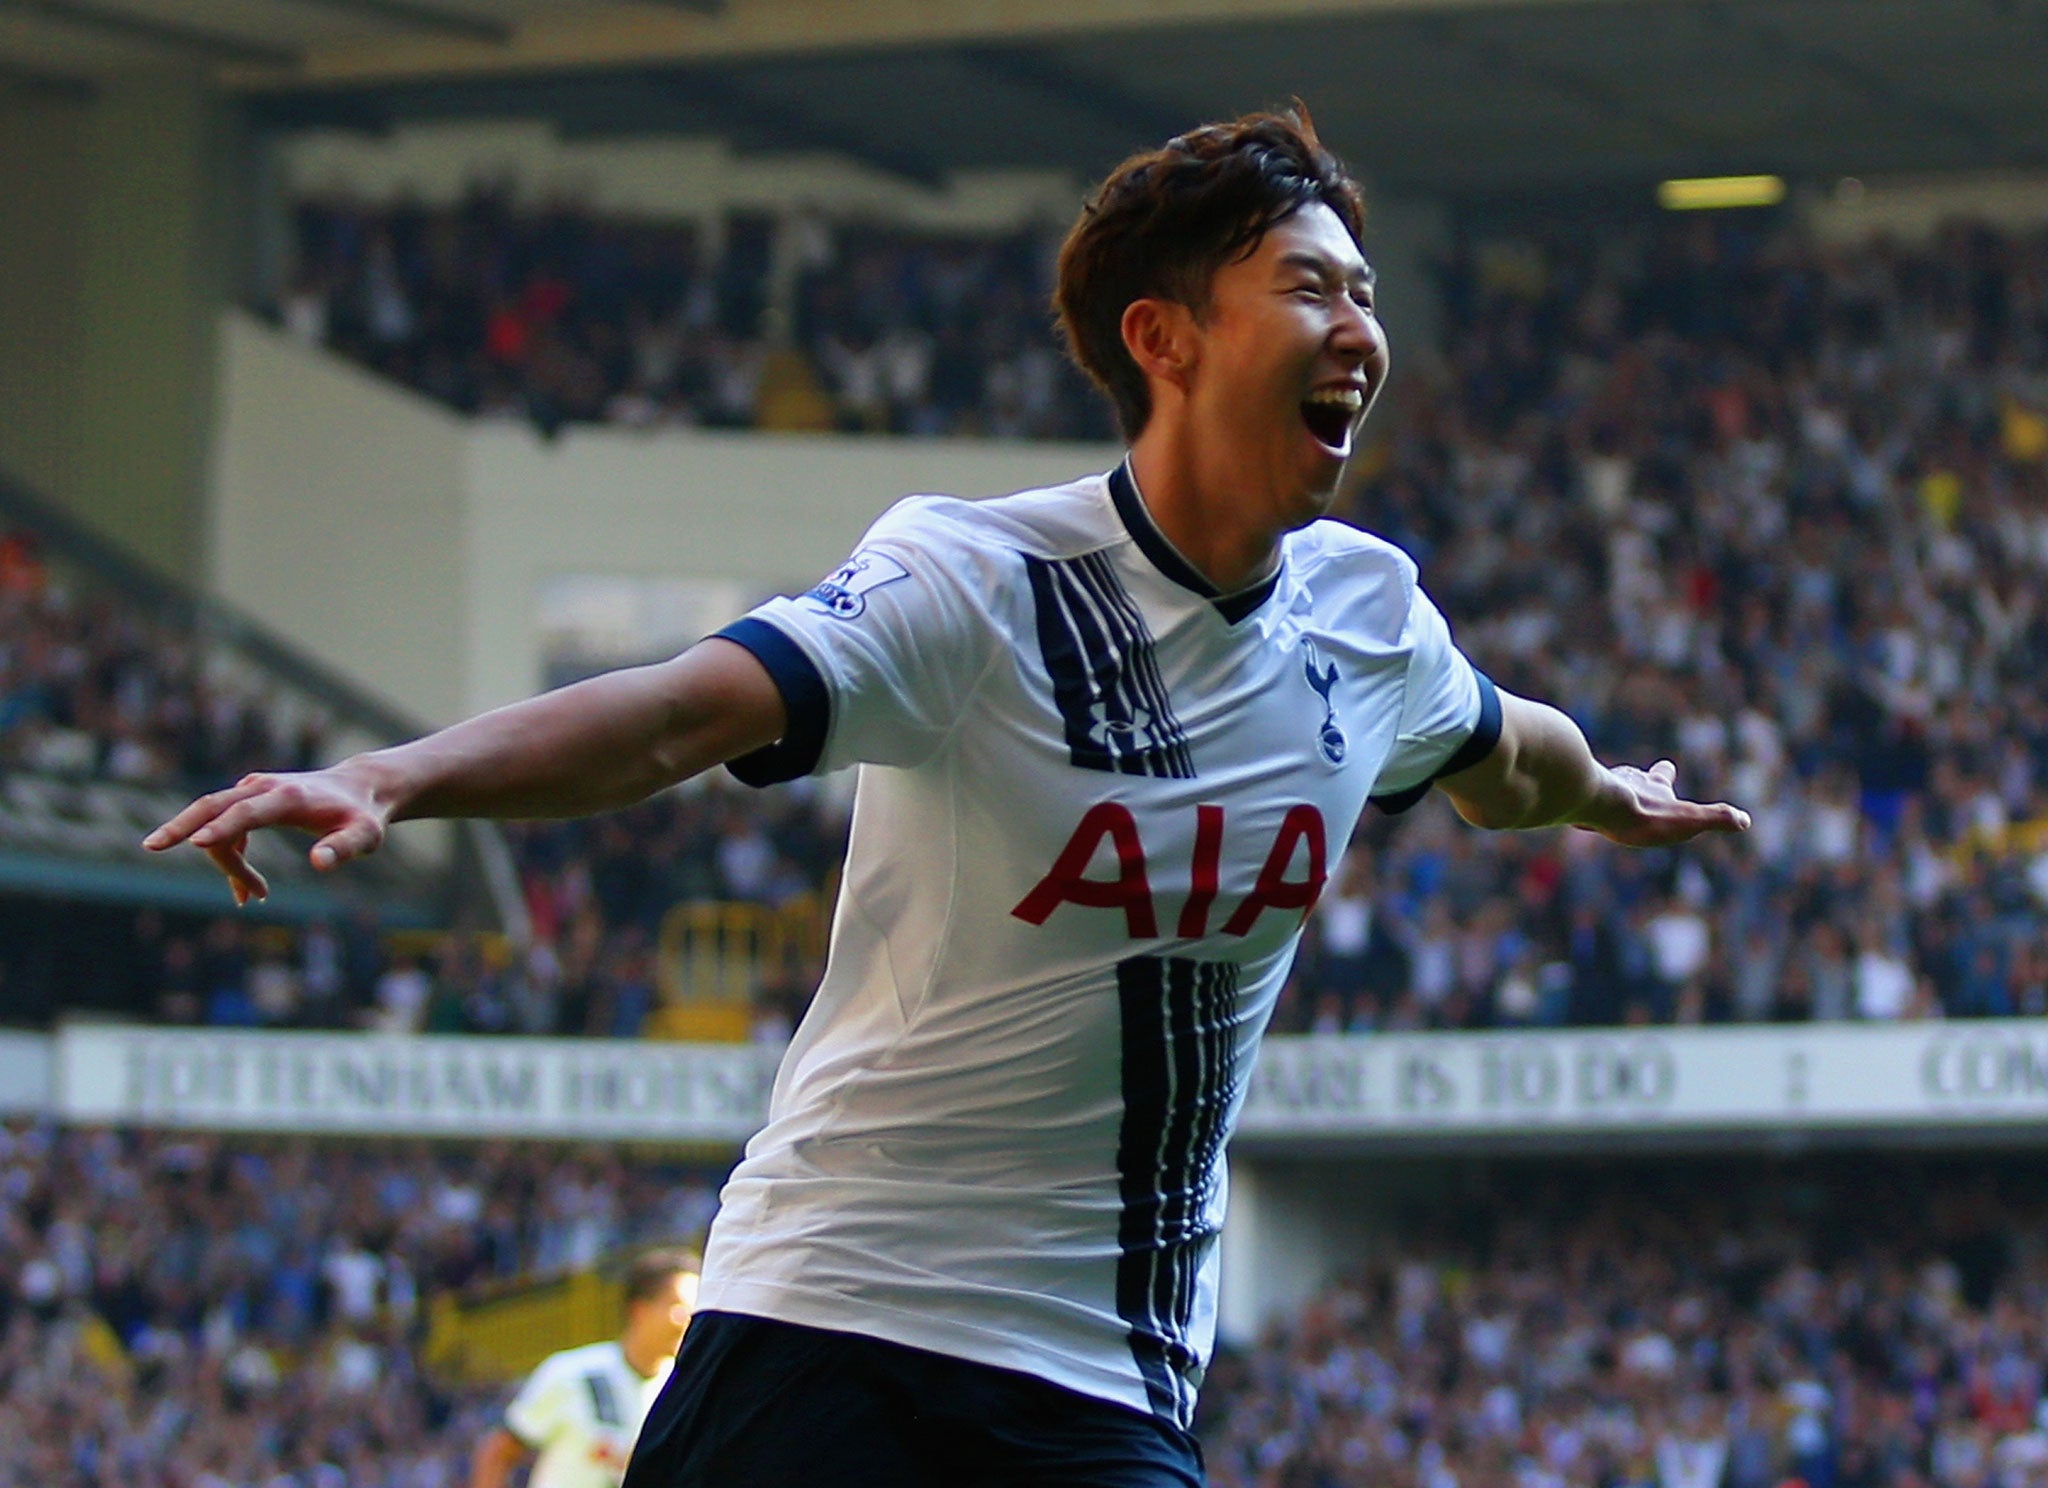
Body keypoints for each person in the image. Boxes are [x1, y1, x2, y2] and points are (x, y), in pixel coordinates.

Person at [146, 105, 1748, 1486]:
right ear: (1164, 337)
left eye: (1367, 295)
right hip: (830, 1319)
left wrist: (1612, 795)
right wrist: (389, 774)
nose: (1361, 332)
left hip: (1099, 1372)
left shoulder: (1368, 616)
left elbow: (1505, 759)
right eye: (1308, 288)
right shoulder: (976, 585)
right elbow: (671, 717)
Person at [469, 1247, 700, 1488]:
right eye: (678, 1306)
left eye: (695, 1310)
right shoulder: (572, 1373)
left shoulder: (683, 1393)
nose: (689, 1319)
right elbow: (498, 1451)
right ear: (639, 1309)